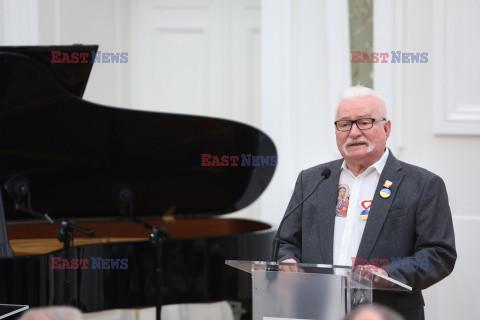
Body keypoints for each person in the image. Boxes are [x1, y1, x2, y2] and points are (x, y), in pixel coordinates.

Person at [277, 85, 456, 320]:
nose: (353, 132)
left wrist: (388, 273)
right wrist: (287, 259)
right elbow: (285, 240)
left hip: (387, 311)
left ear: (386, 127)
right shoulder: (313, 180)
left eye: (364, 121)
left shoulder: (422, 184)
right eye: (344, 124)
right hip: (316, 309)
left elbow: (439, 254)